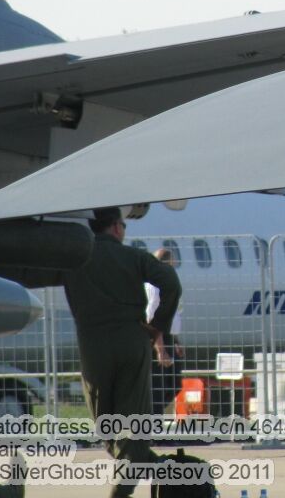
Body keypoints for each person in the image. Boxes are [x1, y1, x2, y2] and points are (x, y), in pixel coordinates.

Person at [63, 207, 182, 497]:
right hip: (132, 342)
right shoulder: (133, 257)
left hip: (93, 347)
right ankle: (168, 472)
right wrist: (157, 327)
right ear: (116, 227)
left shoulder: (74, 260)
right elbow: (172, 284)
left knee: (107, 427)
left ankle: (143, 471)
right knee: (134, 428)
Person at [146, 247, 184, 415]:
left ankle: (155, 427)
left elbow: (172, 315)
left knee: (173, 384)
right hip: (157, 339)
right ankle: (153, 431)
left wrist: (175, 341)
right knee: (158, 388)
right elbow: (154, 318)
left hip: (168, 337)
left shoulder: (169, 283)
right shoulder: (155, 286)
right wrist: (160, 349)